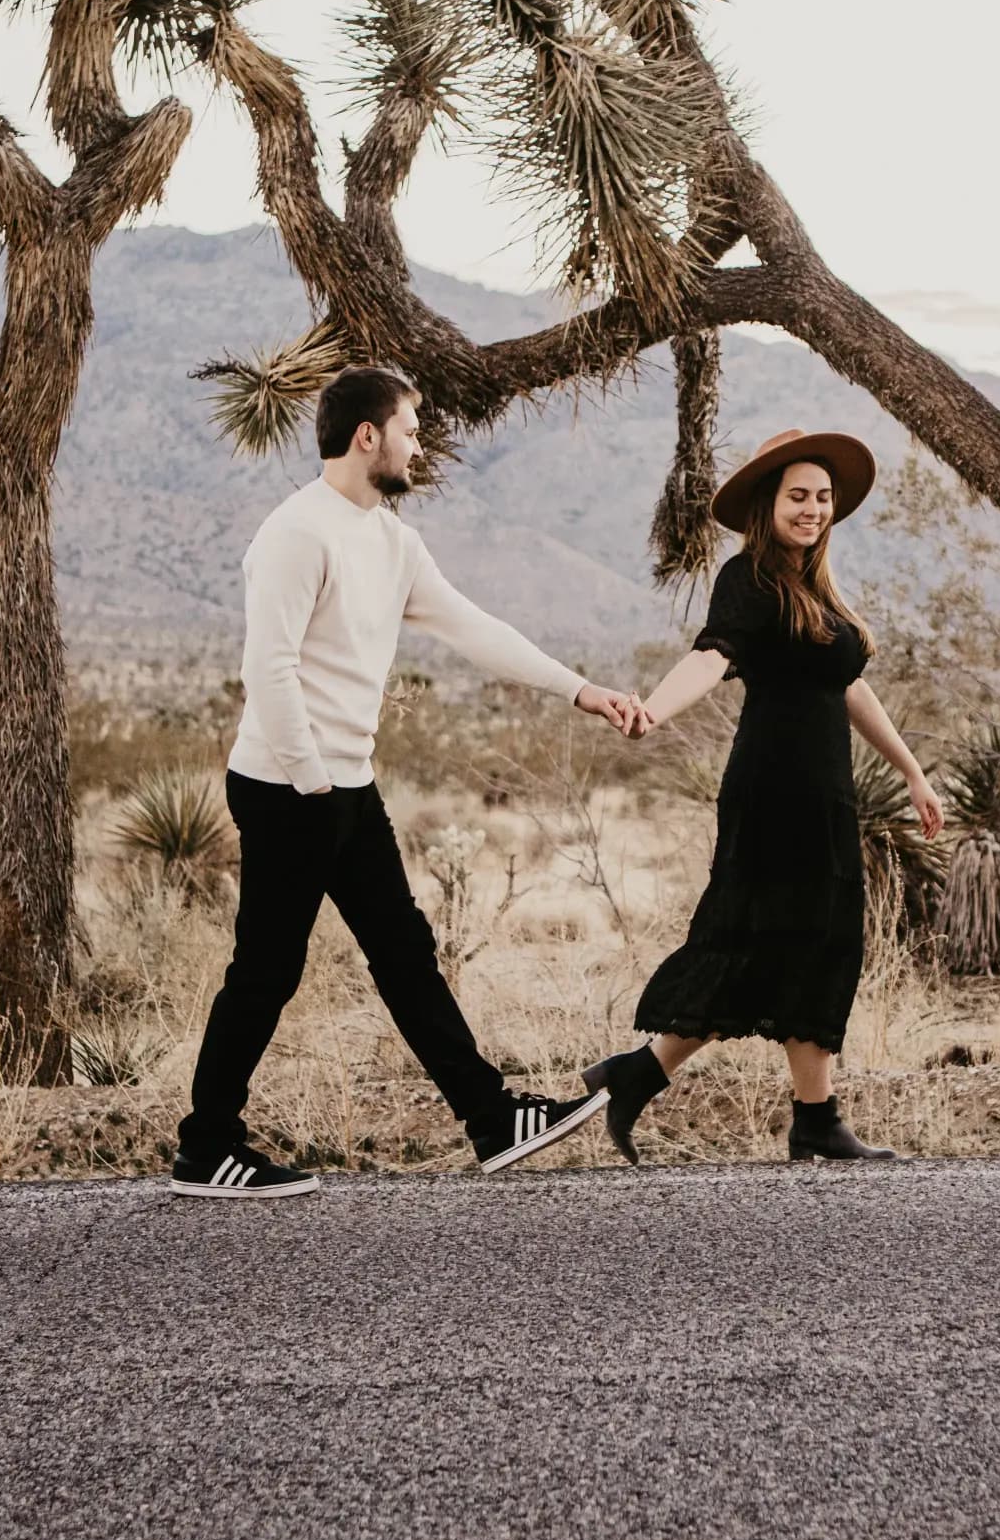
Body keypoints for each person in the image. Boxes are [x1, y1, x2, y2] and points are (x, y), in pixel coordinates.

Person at [170, 366, 646, 1197]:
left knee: (404, 954)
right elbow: (268, 668)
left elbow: (473, 627)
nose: (419, 447)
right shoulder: (296, 533)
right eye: (412, 431)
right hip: (289, 787)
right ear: (368, 436)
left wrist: (581, 690)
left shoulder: (392, 541)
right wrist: (315, 784)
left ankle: (491, 1118)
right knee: (268, 971)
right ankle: (207, 1147)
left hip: (344, 787)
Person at [585, 429, 943, 1164]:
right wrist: (654, 708)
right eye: (797, 497)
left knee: (824, 941)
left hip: (826, 794)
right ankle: (651, 1078)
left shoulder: (818, 590)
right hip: (773, 791)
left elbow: (846, 684)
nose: (812, 509)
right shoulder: (747, 578)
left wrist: (911, 770)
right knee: (755, 941)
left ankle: (805, 1117)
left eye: (822, 498)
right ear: (769, 505)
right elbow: (713, 656)